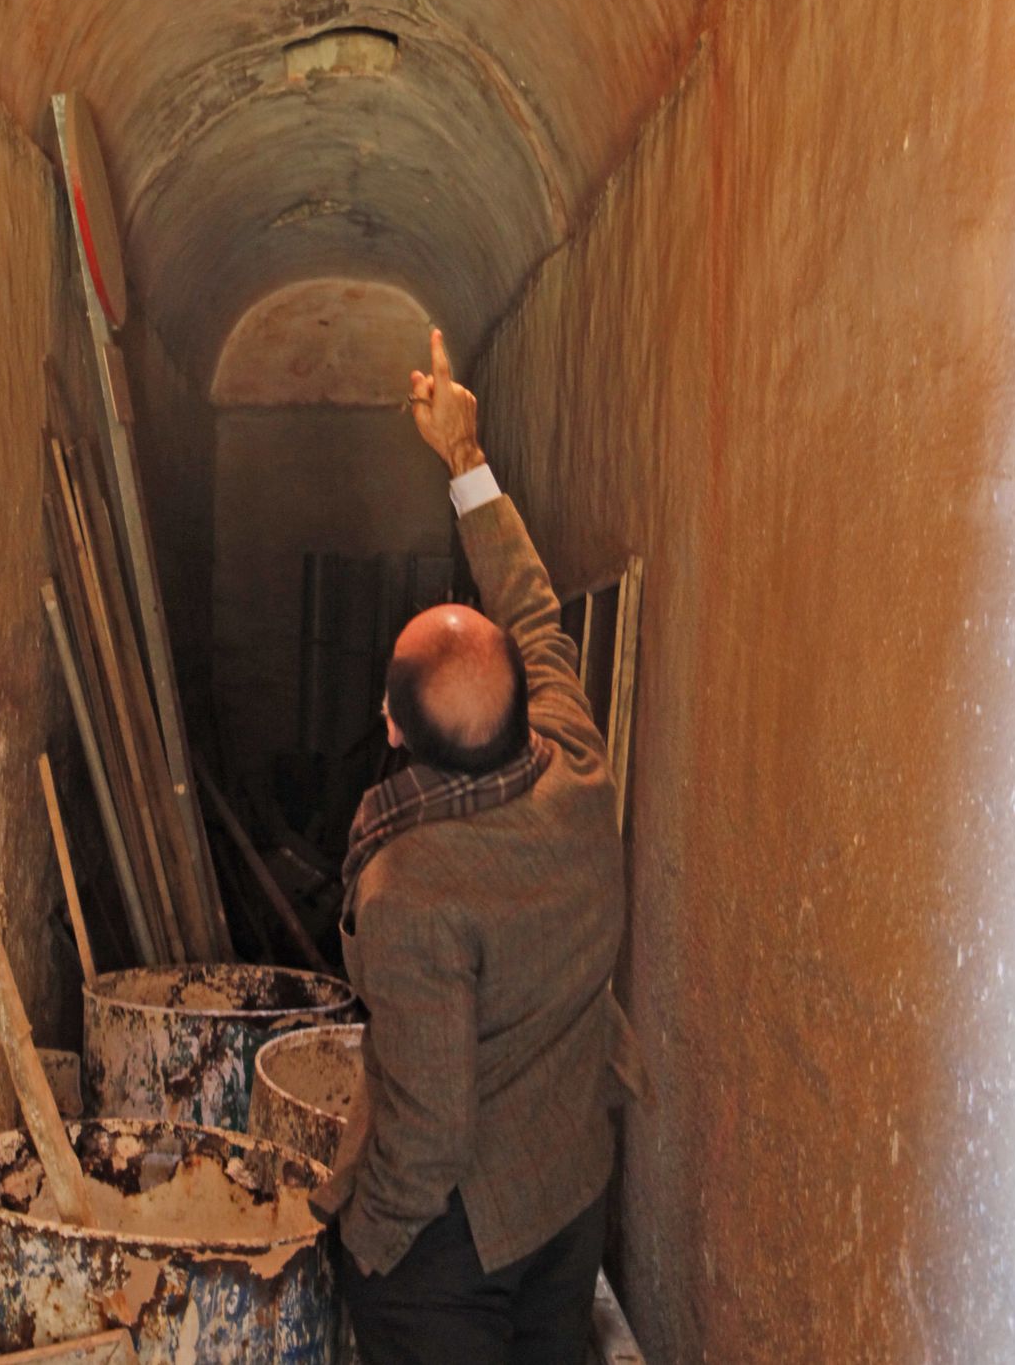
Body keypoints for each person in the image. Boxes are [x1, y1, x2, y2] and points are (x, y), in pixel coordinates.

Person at [313, 328, 646, 1365]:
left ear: (393, 728)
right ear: (521, 696)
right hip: (568, 1189)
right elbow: (536, 613)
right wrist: (465, 455)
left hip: (456, 1244)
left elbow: (430, 1128)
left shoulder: (412, 890)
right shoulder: (578, 764)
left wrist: (357, 1242)